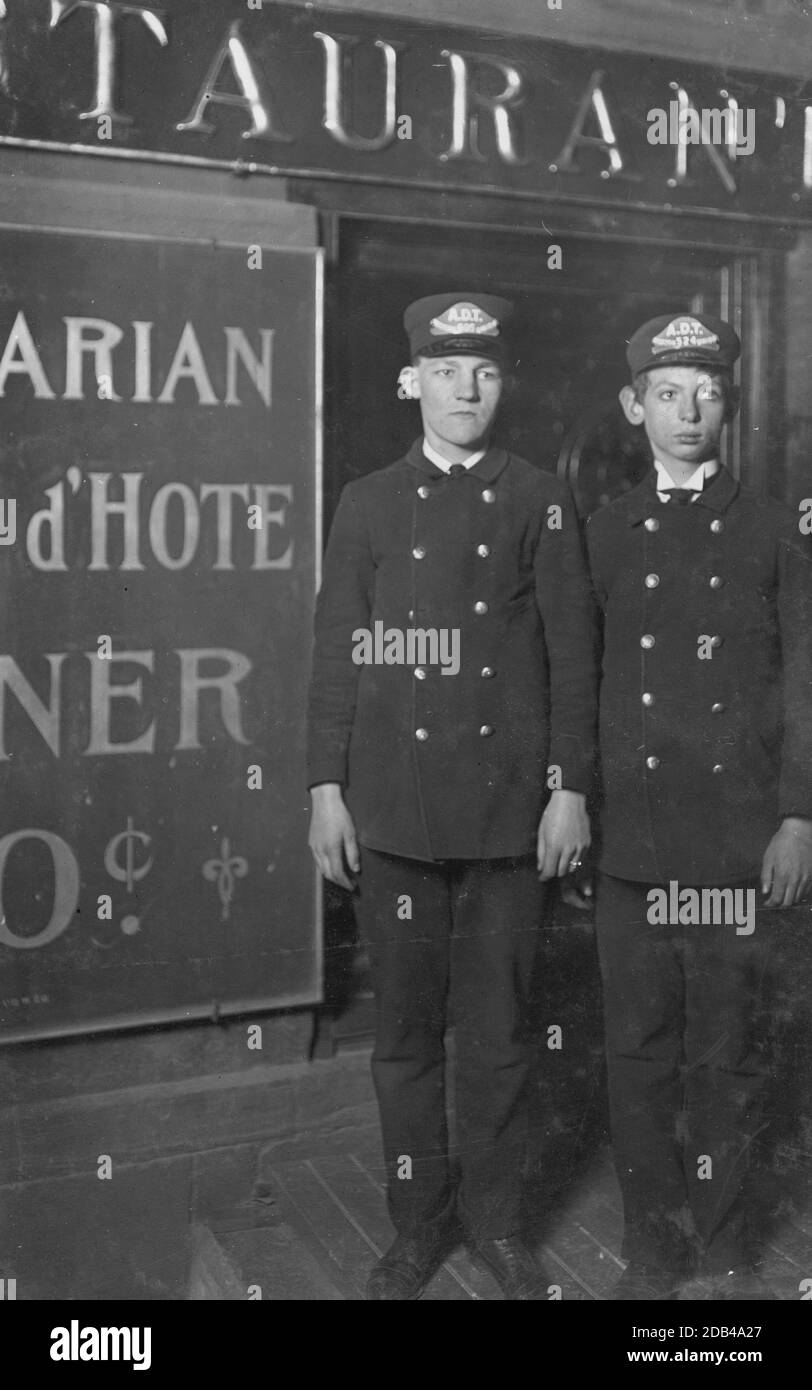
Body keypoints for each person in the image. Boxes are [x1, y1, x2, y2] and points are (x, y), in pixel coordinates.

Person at [306, 292, 598, 1300]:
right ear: (411, 381)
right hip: (394, 816)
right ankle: (414, 1225)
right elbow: (335, 654)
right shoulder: (365, 501)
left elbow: (573, 657)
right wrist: (322, 788)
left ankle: (500, 1224)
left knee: (502, 1035)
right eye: (443, 369)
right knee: (402, 1039)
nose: (463, 387)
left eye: (480, 369)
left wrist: (567, 791)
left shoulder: (537, 497)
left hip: (510, 816)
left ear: (500, 380)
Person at [586, 312, 812, 1300]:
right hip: (632, 839)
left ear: (727, 405)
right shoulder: (599, 532)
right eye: (667, 393)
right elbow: (577, 680)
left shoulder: (771, 527)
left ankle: (720, 1249)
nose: (688, 411)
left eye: (706, 392)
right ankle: (649, 1250)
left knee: (719, 1056)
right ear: (635, 406)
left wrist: (797, 814)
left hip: (731, 840)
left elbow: (804, 679)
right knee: (636, 1056)